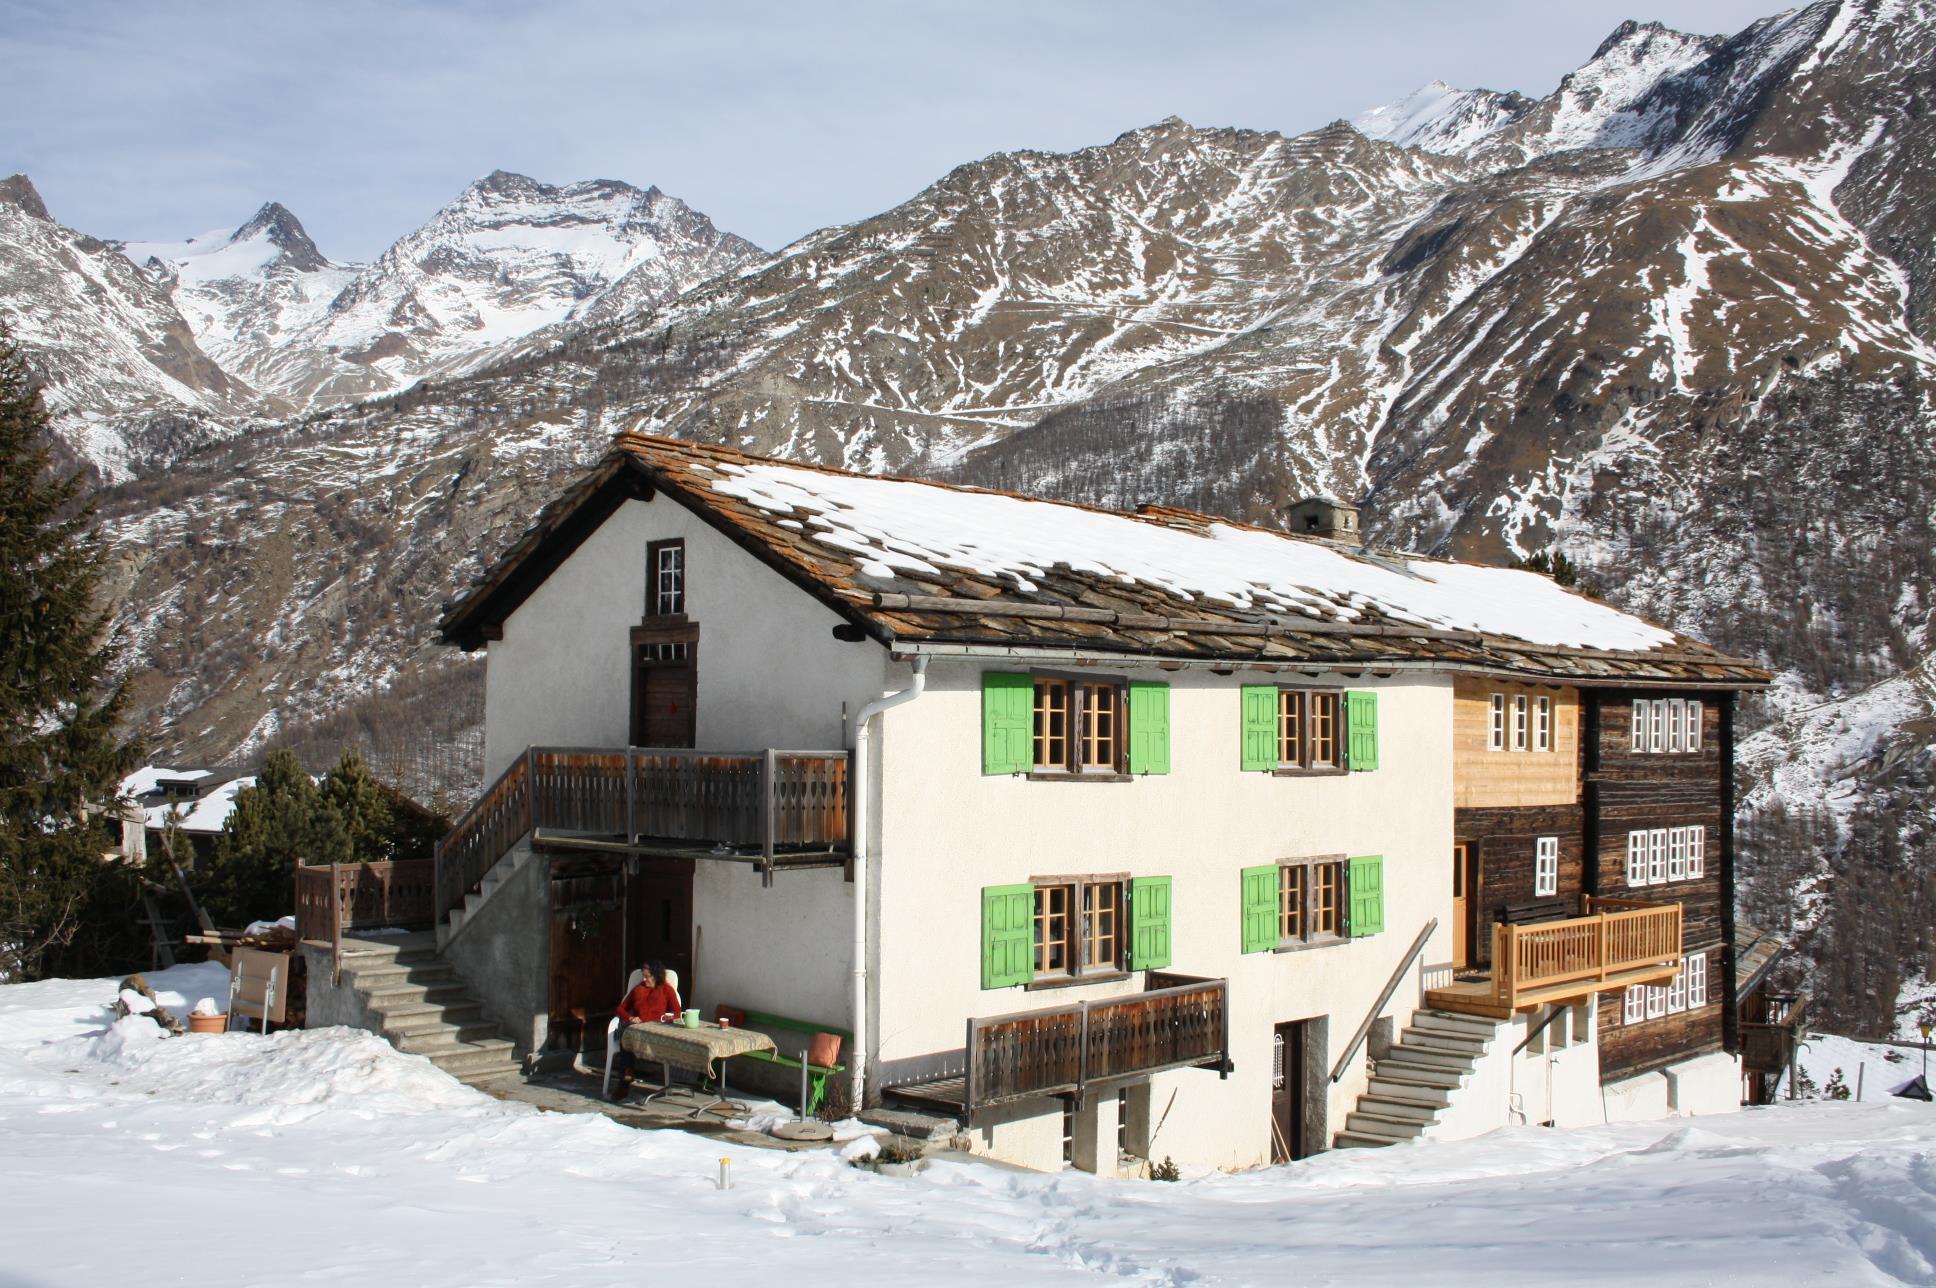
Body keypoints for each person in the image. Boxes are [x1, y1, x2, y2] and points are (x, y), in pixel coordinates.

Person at [610, 960, 681, 1100]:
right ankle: (625, 1080)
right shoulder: (638, 989)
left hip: (656, 1028)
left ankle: (625, 1077)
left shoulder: (666, 990)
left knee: (627, 1035)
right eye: (643, 976)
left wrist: (665, 1019)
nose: (644, 979)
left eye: (647, 976)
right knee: (626, 1031)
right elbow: (620, 1008)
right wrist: (630, 1018)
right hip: (637, 1028)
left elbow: (677, 1012)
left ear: (656, 975)